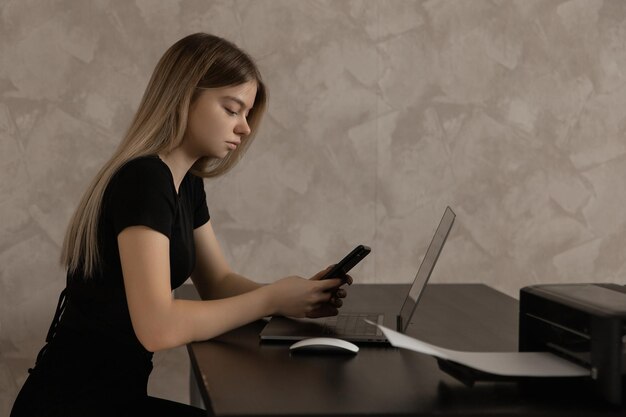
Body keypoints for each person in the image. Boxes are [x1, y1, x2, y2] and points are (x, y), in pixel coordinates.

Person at [10, 33, 351, 417]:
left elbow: (218, 282)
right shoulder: (144, 179)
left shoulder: (186, 183)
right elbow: (157, 326)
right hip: (73, 406)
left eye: (246, 114)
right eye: (232, 109)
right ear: (185, 96)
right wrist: (272, 299)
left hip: (114, 400)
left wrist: (295, 297)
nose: (245, 128)